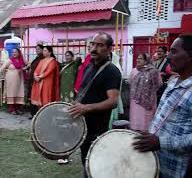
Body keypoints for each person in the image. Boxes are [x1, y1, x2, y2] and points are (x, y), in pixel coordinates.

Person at [133, 34, 192, 178]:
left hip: (175, 170)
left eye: (174, 51)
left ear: (190, 56)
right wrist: (150, 136)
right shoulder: (172, 83)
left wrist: (160, 142)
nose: (168, 57)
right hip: (154, 163)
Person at [68, 32, 121, 177]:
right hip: (83, 125)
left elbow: (113, 101)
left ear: (110, 49)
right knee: (85, 161)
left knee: (94, 166)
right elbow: (85, 92)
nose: (94, 48)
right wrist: (77, 104)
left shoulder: (112, 71)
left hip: (97, 129)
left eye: (100, 45)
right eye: (92, 44)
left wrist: (86, 108)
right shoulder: (89, 67)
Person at [129, 53, 162, 131]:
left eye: (140, 59)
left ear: (146, 60)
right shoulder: (134, 70)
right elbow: (130, 82)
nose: (138, 60)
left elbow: (159, 84)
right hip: (135, 100)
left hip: (149, 101)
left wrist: (147, 92)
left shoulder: (153, 71)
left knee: (147, 119)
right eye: (137, 58)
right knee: (135, 118)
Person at [1, 48, 28, 115]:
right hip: (10, 81)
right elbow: (2, 69)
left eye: (16, 52)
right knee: (11, 93)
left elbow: (28, 64)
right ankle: (12, 109)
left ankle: (17, 109)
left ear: (19, 53)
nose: (14, 53)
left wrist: (24, 67)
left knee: (18, 93)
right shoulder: (9, 61)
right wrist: (6, 74)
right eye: (13, 52)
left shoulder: (21, 61)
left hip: (19, 80)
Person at [27, 44, 44, 119]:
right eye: (36, 49)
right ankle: (32, 113)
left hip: (37, 80)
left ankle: (36, 113)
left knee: (36, 97)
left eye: (38, 49)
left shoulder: (43, 59)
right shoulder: (37, 58)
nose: (37, 50)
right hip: (31, 80)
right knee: (31, 96)